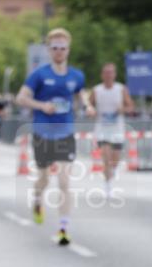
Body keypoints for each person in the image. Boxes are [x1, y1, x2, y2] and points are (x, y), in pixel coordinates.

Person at [15, 27, 94, 245]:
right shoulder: (39, 75)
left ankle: (63, 227)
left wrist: (87, 105)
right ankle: (38, 198)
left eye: (63, 48)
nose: (59, 51)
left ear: (68, 50)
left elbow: (81, 93)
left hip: (65, 132)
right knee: (43, 178)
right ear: (49, 50)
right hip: (42, 133)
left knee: (64, 180)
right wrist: (42, 105)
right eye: (55, 48)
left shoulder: (76, 75)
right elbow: (21, 98)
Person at [88, 63, 134, 198]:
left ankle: (111, 174)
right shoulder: (97, 90)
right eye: (106, 72)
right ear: (102, 75)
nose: (108, 75)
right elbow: (88, 105)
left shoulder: (121, 89)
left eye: (111, 72)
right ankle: (108, 187)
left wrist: (123, 110)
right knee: (106, 157)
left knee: (115, 159)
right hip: (102, 128)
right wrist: (91, 111)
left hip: (117, 129)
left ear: (114, 74)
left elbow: (130, 106)